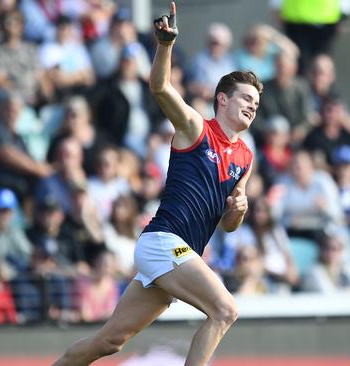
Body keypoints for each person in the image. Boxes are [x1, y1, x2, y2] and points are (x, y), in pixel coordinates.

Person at [52, 3, 259, 365]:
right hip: (165, 244)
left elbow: (228, 225)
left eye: (256, 103)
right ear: (222, 99)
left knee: (109, 341)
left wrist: (237, 210)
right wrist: (165, 46)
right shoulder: (196, 127)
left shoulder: (245, 157)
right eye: (245, 98)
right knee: (225, 310)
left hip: (177, 254)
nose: (252, 107)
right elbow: (160, 87)